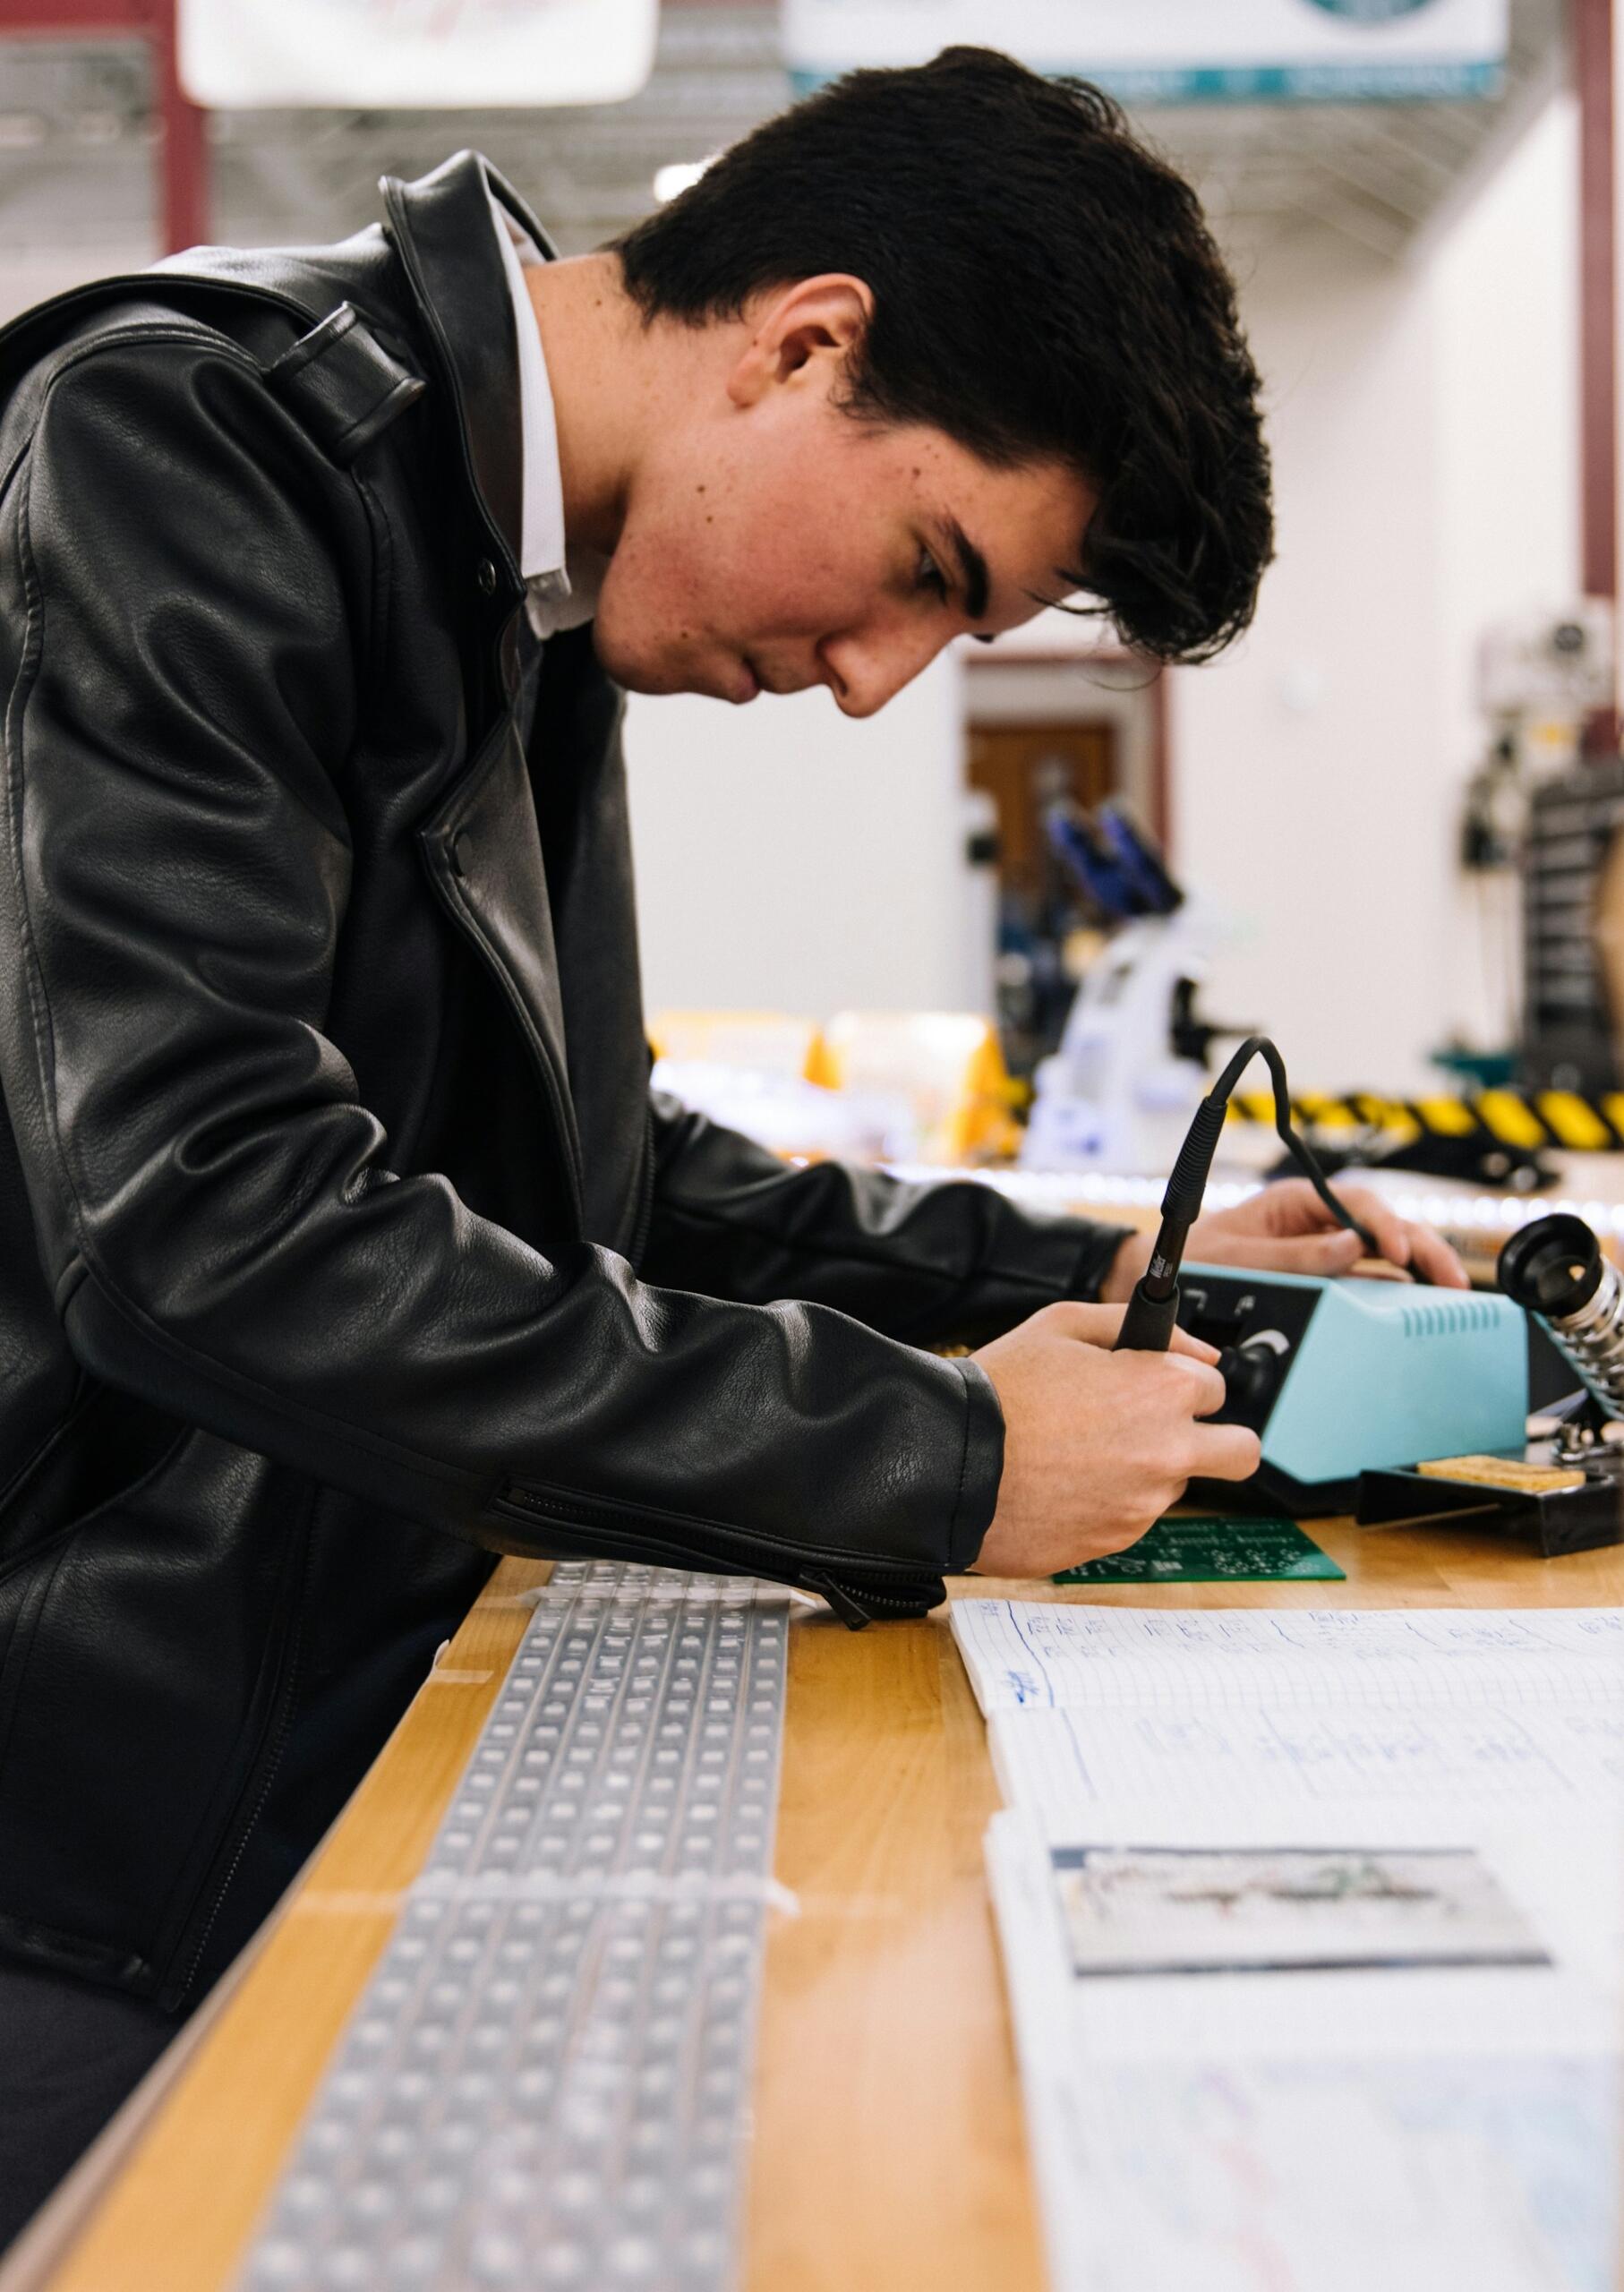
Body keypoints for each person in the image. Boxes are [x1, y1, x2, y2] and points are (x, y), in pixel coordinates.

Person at [0, 45, 1465, 2245]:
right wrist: (941, 1457)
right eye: (926, 571)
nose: (877, 683)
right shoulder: (190, 442)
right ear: (804, 341)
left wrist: (1083, 1279)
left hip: (283, 1739)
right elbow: (206, 1221)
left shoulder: (514, 566)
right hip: (76, 1848)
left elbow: (591, 1166)